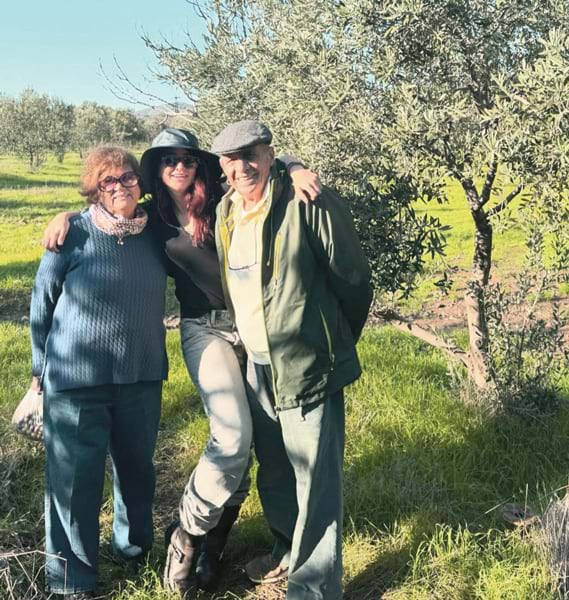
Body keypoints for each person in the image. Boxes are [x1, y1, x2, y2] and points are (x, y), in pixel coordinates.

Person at [41, 128, 322, 594]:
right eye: (167, 159)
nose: (178, 165)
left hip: (258, 327)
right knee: (232, 438)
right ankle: (187, 536)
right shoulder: (151, 221)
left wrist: (294, 166)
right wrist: (66, 215)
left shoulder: (224, 200)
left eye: (187, 157)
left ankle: (216, 544)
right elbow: (105, 210)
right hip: (203, 328)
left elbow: (259, 168)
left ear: (199, 163)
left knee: (264, 441)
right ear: (155, 169)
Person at [212, 120, 373, 600]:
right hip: (257, 365)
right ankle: (287, 549)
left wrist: (328, 340)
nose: (241, 167)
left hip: (307, 364)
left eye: (251, 154)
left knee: (315, 481)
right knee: (277, 469)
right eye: (229, 158)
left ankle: (314, 587)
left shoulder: (307, 201)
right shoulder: (225, 212)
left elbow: (353, 278)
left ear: (269, 153)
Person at [31, 147, 168, 599]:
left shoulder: (156, 233)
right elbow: (41, 305)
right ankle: (72, 581)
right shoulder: (72, 234)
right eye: (108, 181)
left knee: (137, 474)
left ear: (141, 183)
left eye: (128, 177)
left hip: (142, 377)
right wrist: (39, 371)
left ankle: (133, 550)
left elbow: (215, 189)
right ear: (95, 189)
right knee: (73, 485)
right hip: (75, 383)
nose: (121, 186)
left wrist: (289, 165)